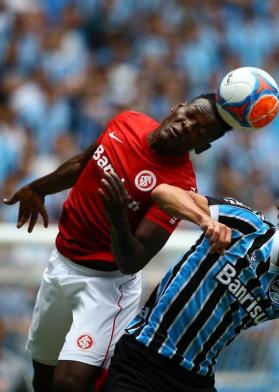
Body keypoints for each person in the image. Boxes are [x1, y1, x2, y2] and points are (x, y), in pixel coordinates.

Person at [2, 93, 232, 392]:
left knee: (70, 384)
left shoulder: (179, 187)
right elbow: (83, 163)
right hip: (61, 264)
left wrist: (118, 219)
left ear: (202, 146)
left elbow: (133, 260)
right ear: (178, 107)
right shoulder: (128, 121)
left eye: (200, 131)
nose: (187, 126)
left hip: (107, 285)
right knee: (43, 375)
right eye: (190, 115)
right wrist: (38, 188)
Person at [103, 181, 279, 391]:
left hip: (194, 380)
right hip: (142, 360)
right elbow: (163, 193)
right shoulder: (244, 224)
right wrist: (204, 221)